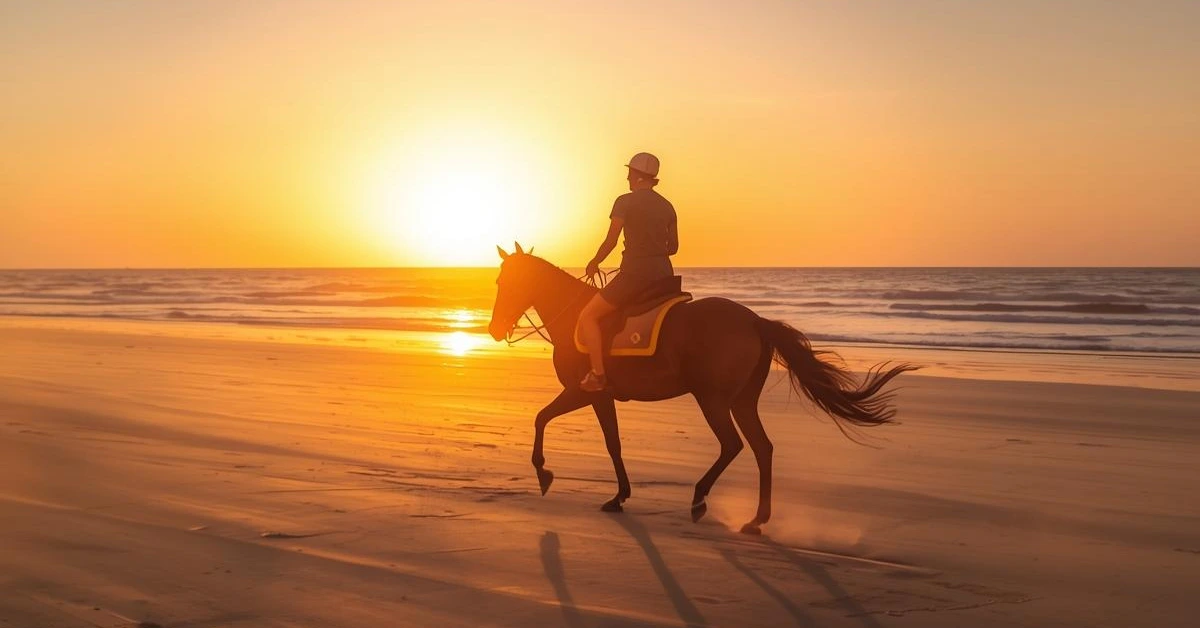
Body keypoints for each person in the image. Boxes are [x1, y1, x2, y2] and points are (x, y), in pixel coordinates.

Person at [577, 152, 678, 392]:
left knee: (588, 316)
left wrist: (594, 262)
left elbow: (611, 241)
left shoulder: (624, 202)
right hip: (665, 276)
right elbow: (673, 248)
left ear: (637, 176)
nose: (627, 178)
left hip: (635, 275)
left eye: (629, 173)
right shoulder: (667, 206)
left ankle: (598, 374)